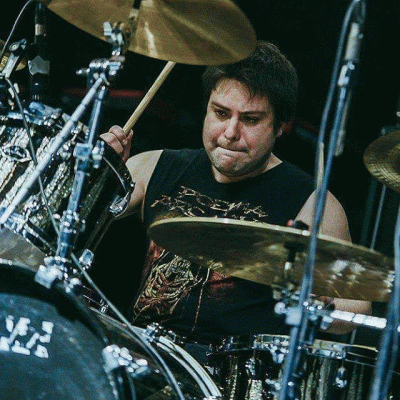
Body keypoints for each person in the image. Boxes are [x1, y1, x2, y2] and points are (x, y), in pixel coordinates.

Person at [100, 41, 371, 346]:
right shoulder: (153, 166)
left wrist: (319, 302)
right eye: (220, 113)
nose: (230, 133)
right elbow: (79, 216)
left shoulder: (312, 204)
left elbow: (357, 306)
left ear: (281, 126)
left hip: (225, 370)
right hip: (139, 351)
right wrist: (98, 173)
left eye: (250, 119)